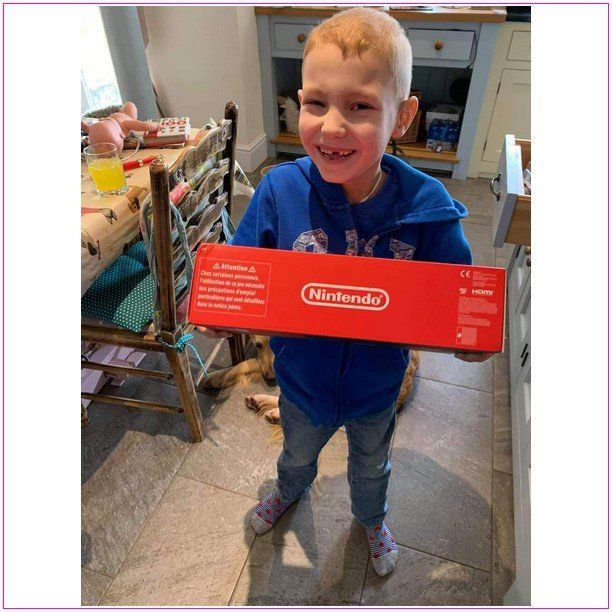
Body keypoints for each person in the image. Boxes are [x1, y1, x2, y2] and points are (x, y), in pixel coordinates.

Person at [198, 7, 492, 576]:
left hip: (376, 388)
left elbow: (461, 299)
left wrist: (472, 338)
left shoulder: (428, 210)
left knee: (371, 467)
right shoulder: (280, 190)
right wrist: (218, 309)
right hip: (301, 380)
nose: (332, 126)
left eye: (359, 106)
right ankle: (288, 492)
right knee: (296, 454)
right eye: (316, 103)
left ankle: (371, 519)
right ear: (299, 101)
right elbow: (238, 269)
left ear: (402, 116)